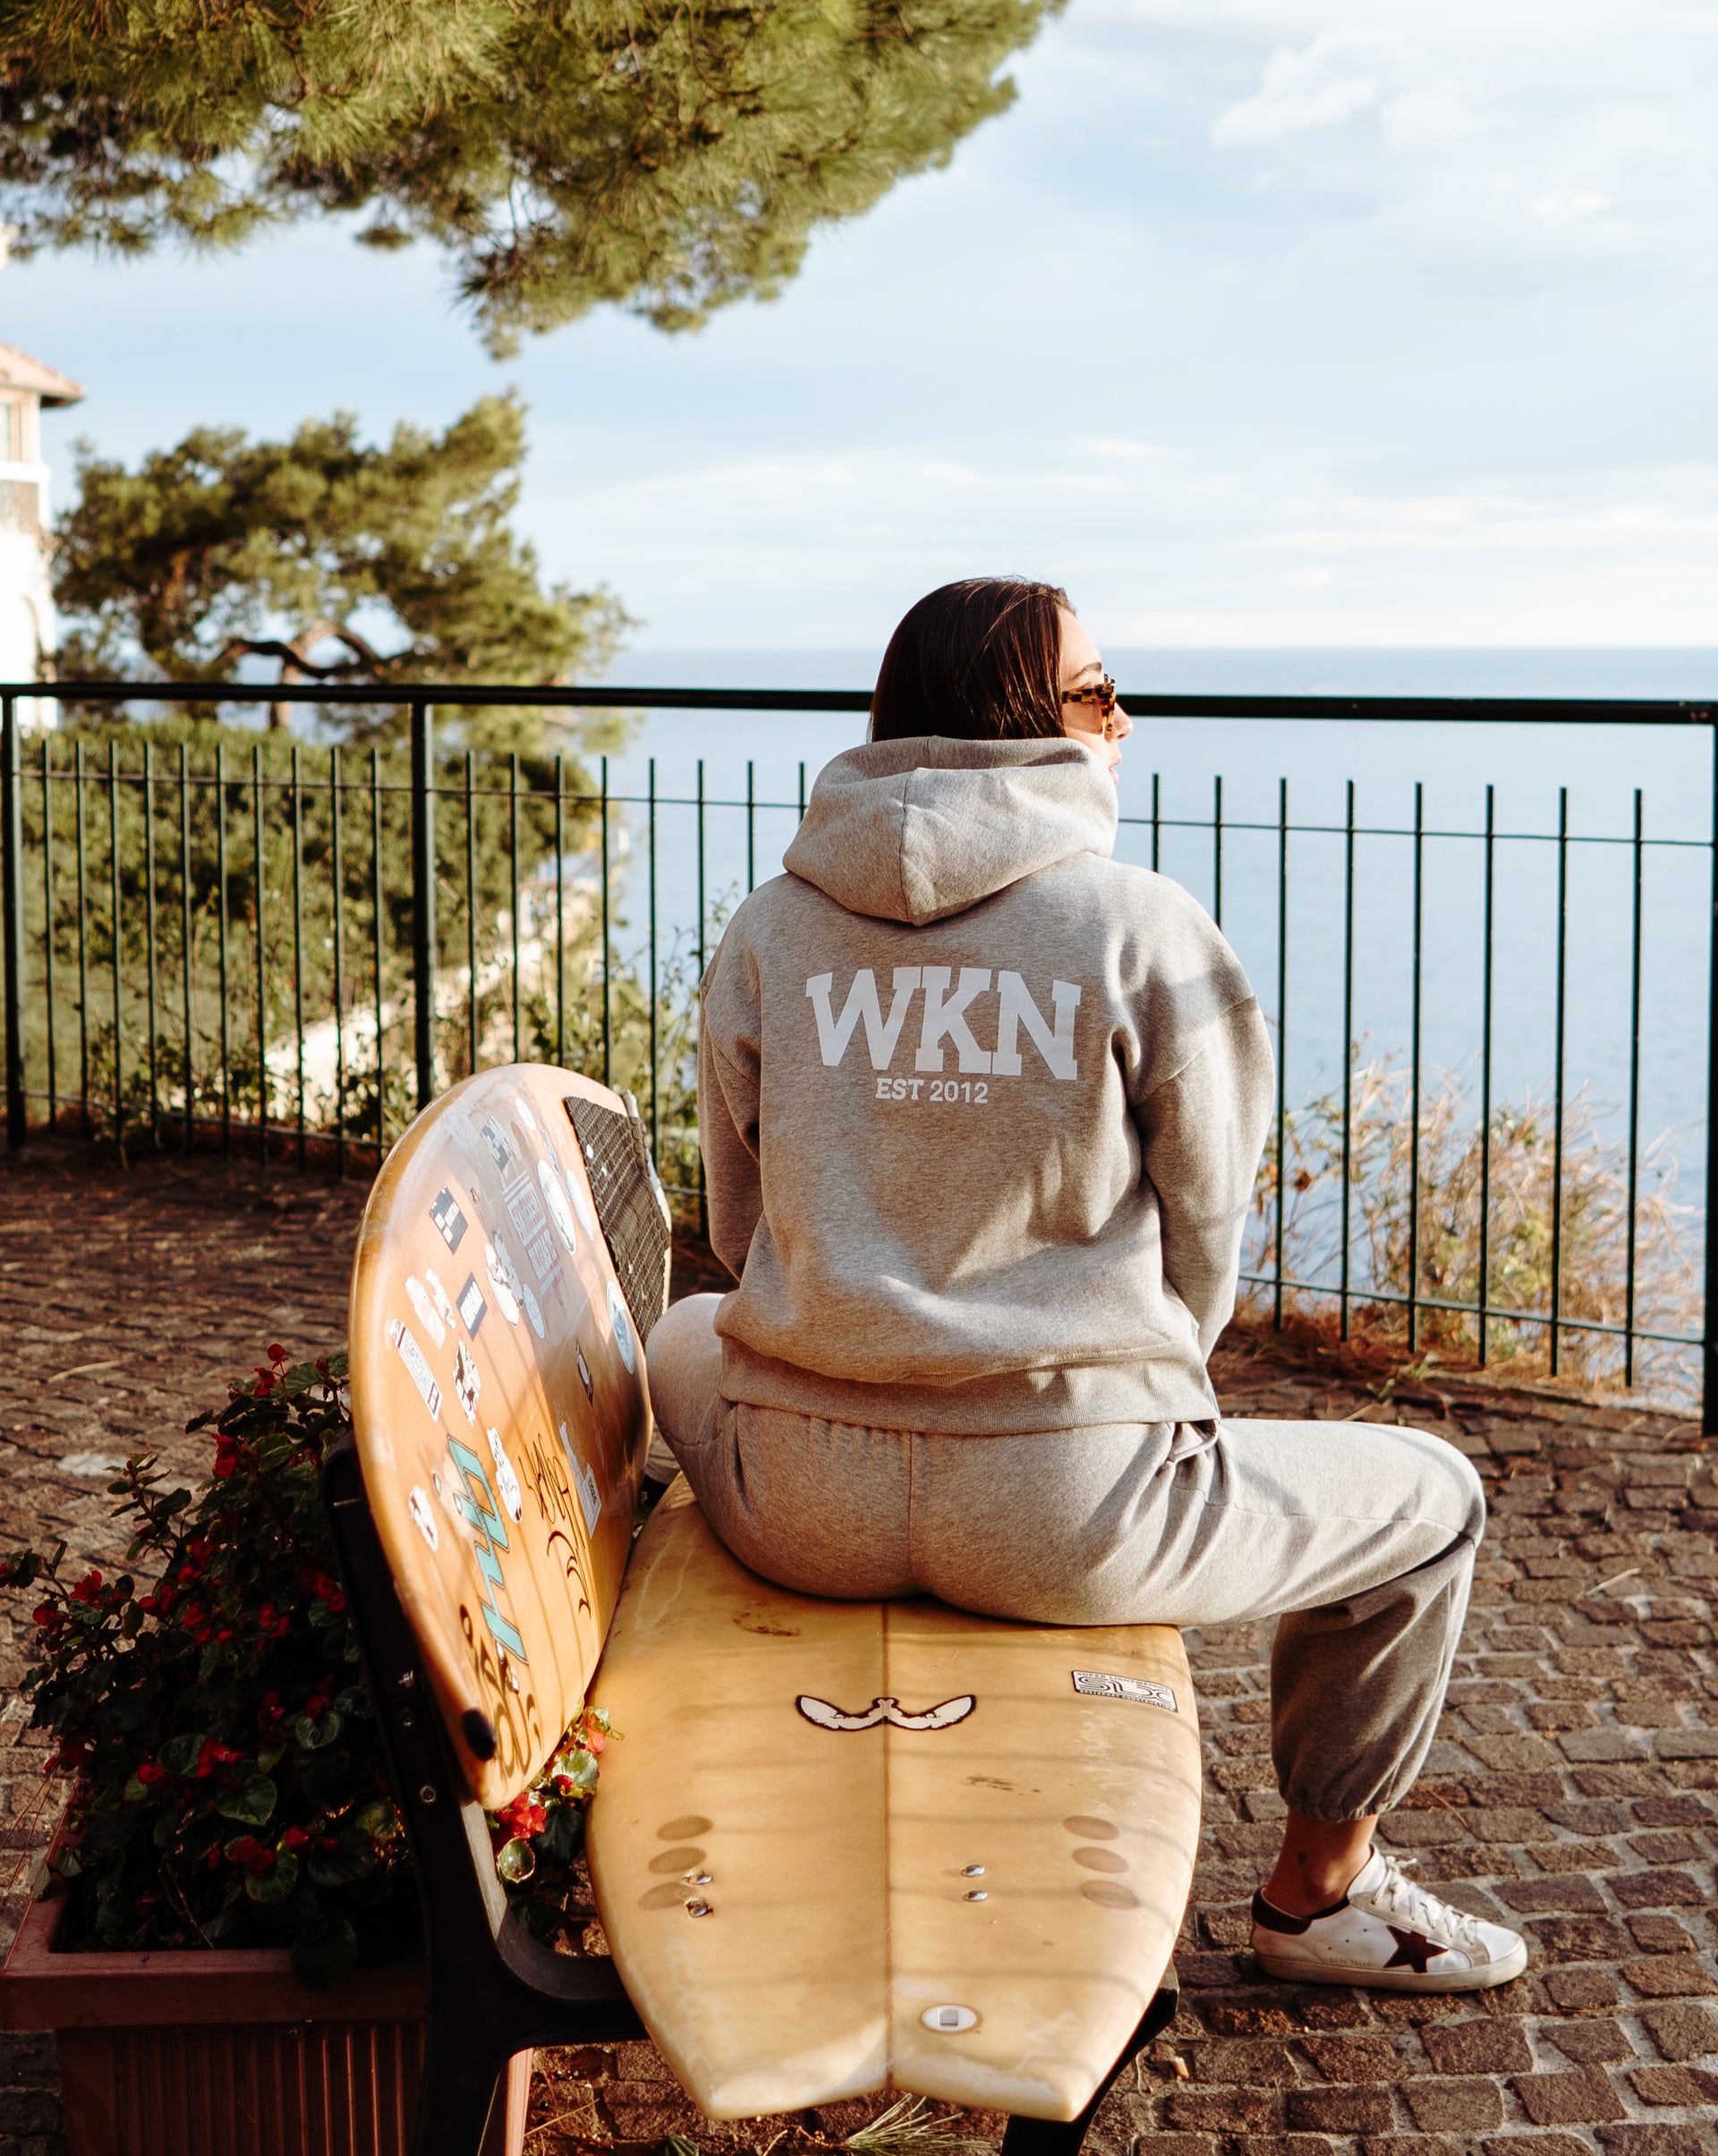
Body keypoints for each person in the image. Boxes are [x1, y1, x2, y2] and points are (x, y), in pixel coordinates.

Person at [647, 575, 1526, 1993]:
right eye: (1101, 693)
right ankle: (1321, 1896)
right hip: (1072, 1512)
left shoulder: (769, 930)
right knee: (1435, 1500)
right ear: (1025, 719)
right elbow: (1206, 1236)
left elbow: (742, 1221)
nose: (1125, 720)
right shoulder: (1143, 927)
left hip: (796, 1502)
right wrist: (1123, 1383)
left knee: (687, 1329)